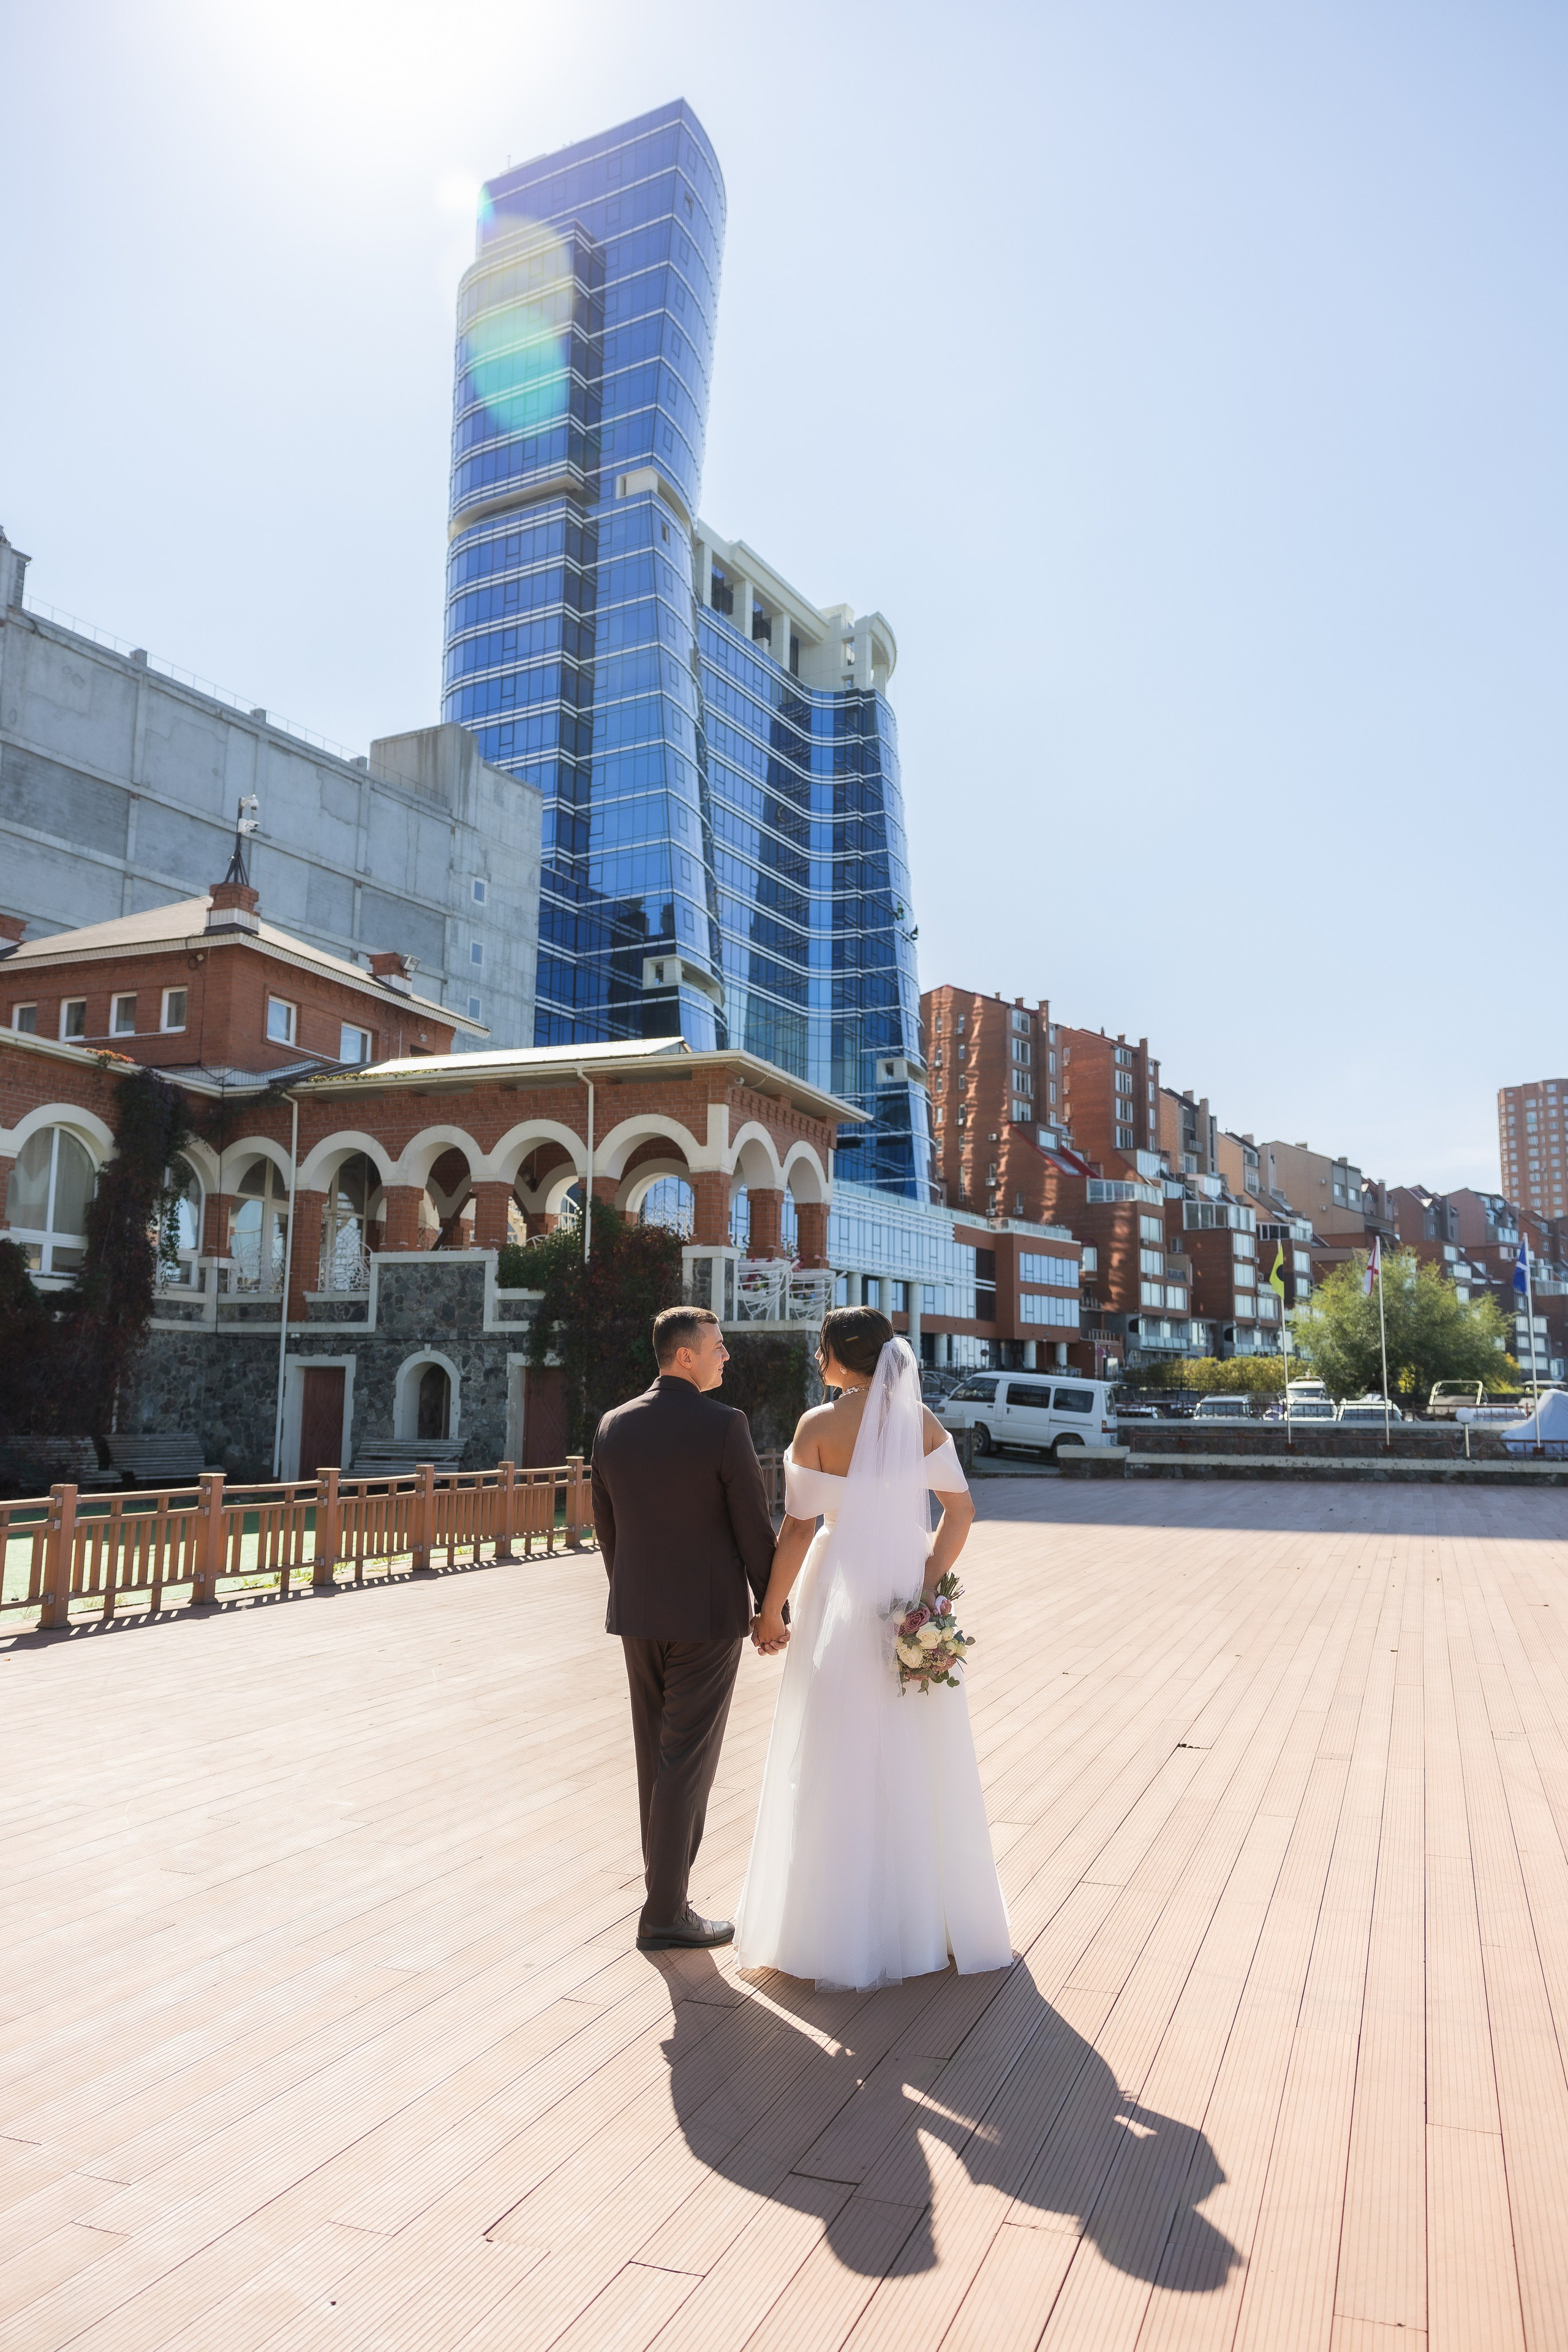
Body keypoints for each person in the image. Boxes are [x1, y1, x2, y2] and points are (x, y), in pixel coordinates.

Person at [734, 1306, 1012, 1989]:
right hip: (900, 1583)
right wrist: (926, 1587)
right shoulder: (919, 1421)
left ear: (837, 1356)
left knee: (837, 1741)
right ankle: (928, 1922)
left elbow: (798, 1529)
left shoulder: (818, 1426)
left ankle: (833, 1928)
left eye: (821, 1347)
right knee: (918, 1743)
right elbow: (962, 1510)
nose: (817, 1359)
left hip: (840, 1590)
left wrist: (770, 1610)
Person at [590, 1304, 780, 1951]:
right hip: (704, 1617)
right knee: (685, 1762)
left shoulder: (614, 1425)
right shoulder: (724, 1426)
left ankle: (664, 1900)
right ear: (685, 1357)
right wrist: (772, 1607)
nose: (726, 1355)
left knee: (657, 1756)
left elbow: (607, 1528)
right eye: (718, 1346)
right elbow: (753, 1527)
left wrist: (632, 1591)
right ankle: (665, 1911)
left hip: (639, 1613)